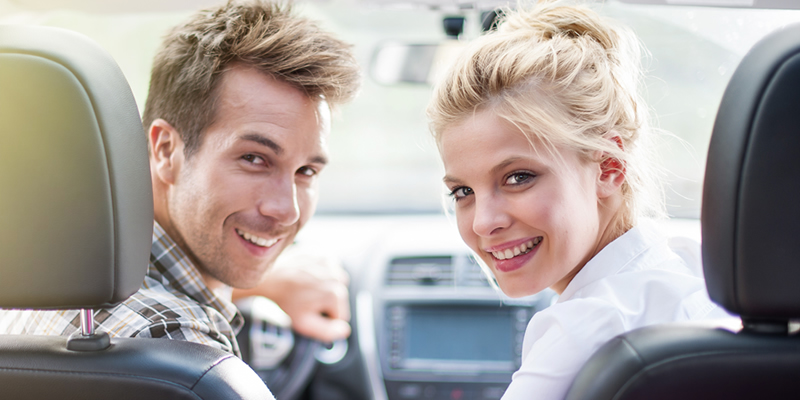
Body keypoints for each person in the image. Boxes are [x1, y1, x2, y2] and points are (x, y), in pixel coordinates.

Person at [0, 0, 359, 356]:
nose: (287, 210)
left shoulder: (55, 286)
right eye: (253, 159)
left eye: (306, 171)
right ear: (166, 150)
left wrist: (264, 285)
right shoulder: (174, 341)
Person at [427, 2, 732, 399]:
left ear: (608, 167)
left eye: (518, 178)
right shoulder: (693, 268)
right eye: (462, 192)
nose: (484, 222)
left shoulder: (584, 326)